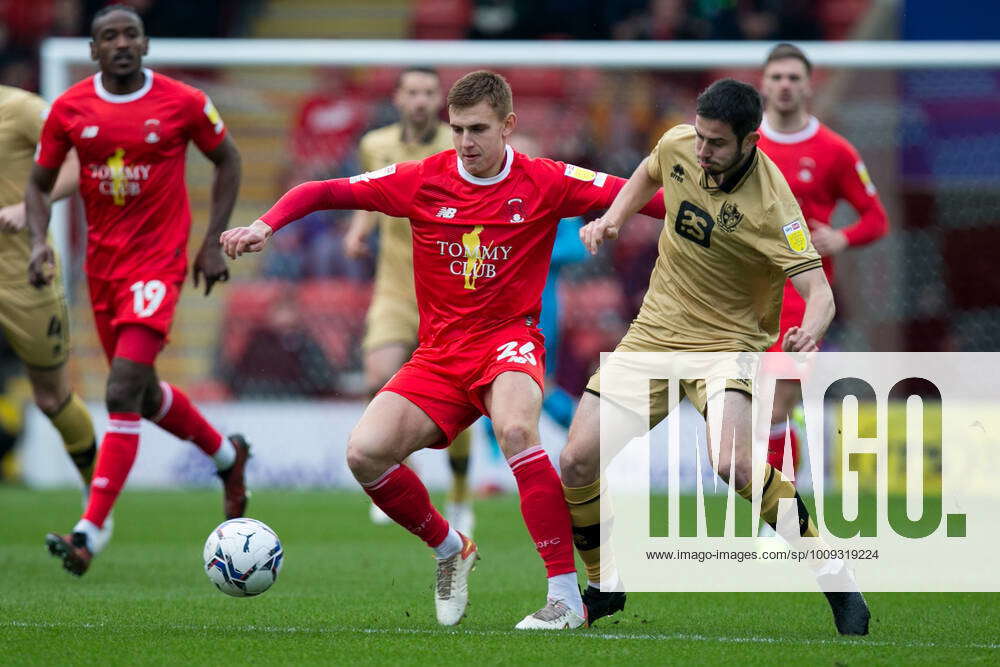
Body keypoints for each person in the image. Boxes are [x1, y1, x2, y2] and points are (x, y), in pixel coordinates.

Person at [222, 70, 666, 630]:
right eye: (456, 129)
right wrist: (266, 225)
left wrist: (718, 228)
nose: (465, 142)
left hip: (507, 341)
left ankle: (565, 596)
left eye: (478, 129)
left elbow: (640, 194)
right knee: (364, 454)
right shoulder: (422, 180)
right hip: (438, 355)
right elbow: (324, 190)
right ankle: (450, 546)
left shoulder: (547, 180)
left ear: (509, 125)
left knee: (516, 431)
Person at [558, 78, 871, 635]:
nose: (702, 152)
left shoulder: (776, 206)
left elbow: (820, 293)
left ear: (750, 140)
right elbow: (651, 169)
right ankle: (604, 583)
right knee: (577, 459)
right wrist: (614, 218)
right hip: (654, 333)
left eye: (716, 144)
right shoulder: (681, 143)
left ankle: (835, 576)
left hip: (727, 348)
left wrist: (809, 331)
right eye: (700, 138)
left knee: (734, 465)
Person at [25, 4, 248, 577]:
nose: (121, 43)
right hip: (102, 270)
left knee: (122, 389)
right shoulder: (71, 109)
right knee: (144, 395)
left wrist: (210, 243)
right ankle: (227, 457)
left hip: (159, 263)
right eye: (109, 37)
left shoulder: (183, 101)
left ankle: (89, 531)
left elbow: (228, 159)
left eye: (131, 35)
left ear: (145, 45)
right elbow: (38, 182)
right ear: (94, 49)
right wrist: (39, 242)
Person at [342, 67, 475, 534]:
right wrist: (358, 232)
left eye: (428, 93)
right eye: (412, 92)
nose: (420, 101)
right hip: (396, 287)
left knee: (459, 399)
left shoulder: (457, 144)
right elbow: (370, 196)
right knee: (379, 375)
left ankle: (459, 496)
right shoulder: (375, 144)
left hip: (448, 289)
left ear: (438, 99)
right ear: (397, 98)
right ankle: (401, 483)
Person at [757, 43, 889, 474]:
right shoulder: (743, 145)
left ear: (809, 85)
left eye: (794, 77)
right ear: (763, 83)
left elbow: (876, 219)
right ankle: (783, 473)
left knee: (775, 402)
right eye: (777, 77)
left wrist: (842, 238)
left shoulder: (835, 150)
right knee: (759, 409)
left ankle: (775, 514)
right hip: (742, 295)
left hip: (802, 299)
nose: (784, 85)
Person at [0, 83, 111, 542]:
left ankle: (98, 503)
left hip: (24, 276)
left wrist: (30, 205)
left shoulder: (20, 108)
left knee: (52, 398)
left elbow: (78, 159)